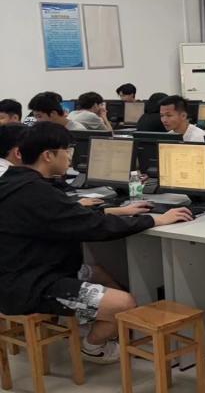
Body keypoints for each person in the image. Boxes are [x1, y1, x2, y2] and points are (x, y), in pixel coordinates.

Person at [0, 122, 193, 363]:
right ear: (48, 156)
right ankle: (93, 347)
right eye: (67, 150)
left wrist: (120, 211)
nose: (71, 156)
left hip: (21, 271)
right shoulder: (37, 193)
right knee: (124, 303)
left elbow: (69, 216)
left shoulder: (16, 182)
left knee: (97, 271)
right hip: (31, 286)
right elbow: (95, 227)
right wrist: (154, 219)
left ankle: (95, 318)